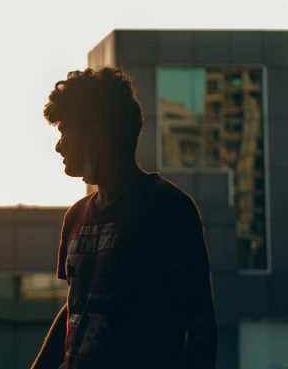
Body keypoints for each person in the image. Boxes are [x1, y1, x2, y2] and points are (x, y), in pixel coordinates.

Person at [30, 67, 218, 369]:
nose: (58, 145)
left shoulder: (168, 209)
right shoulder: (76, 216)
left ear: (92, 131)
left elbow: (200, 325)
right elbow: (77, 308)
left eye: (65, 130)